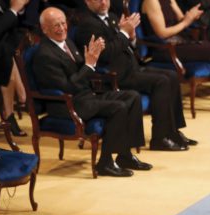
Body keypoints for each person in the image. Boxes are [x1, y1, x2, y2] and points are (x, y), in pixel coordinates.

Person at [35, 7, 152, 176]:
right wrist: (89, 65)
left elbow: (81, 71)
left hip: (85, 96)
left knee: (132, 96)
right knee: (118, 107)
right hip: (66, 104)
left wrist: (92, 58)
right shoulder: (44, 55)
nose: (62, 28)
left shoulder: (67, 42)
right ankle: (105, 163)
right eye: (55, 25)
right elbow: (68, 86)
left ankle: (125, 155)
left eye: (63, 23)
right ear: (44, 29)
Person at [76, 0, 197, 150]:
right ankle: (160, 138)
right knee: (161, 81)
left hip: (132, 68)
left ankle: (173, 131)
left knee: (171, 75)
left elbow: (129, 46)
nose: (103, 2)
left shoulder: (113, 17)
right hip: (114, 76)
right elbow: (105, 55)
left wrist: (131, 37)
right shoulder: (88, 24)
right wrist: (124, 33)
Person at [141, 0, 210, 110]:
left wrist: (190, 16)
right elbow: (162, 33)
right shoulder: (151, 2)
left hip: (181, 42)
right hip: (164, 48)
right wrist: (186, 21)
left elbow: (182, 20)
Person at [0, 0, 30, 136]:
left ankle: (10, 112)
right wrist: (14, 9)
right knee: (4, 54)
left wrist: (20, 7)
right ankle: (10, 112)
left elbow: (13, 24)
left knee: (6, 53)